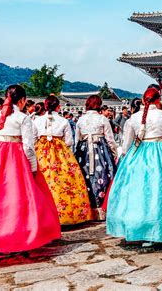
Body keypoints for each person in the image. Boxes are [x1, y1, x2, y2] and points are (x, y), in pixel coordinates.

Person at [0, 85, 60, 252]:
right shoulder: (23, 118)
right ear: (22, 101)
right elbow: (28, 146)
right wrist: (33, 167)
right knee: (17, 197)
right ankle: (18, 234)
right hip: (16, 160)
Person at [106, 87, 162, 246]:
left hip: (138, 155)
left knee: (138, 194)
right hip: (160, 156)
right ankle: (156, 231)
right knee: (157, 194)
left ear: (142, 100)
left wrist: (125, 160)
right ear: (158, 99)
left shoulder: (132, 118)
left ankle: (135, 229)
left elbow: (126, 145)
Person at [34, 95, 93, 225]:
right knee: (65, 180)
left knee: (41, 180)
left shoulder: (36, 121)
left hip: (41, 152)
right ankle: (65, 214)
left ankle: (42, 214)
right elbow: (69, 141)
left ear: (45, 106)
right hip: (60, 153)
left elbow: (33, 138)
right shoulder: (63, 121)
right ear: (58, 107)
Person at [75, 95, 118, 220]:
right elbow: (110, 139)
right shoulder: (102, 119)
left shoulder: (80, 120)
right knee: (103, 176)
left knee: (85, 177)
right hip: (100, 150)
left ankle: (88, 208)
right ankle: (101, 209)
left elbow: (77, 139)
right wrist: (114, 153)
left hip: (83, 152)